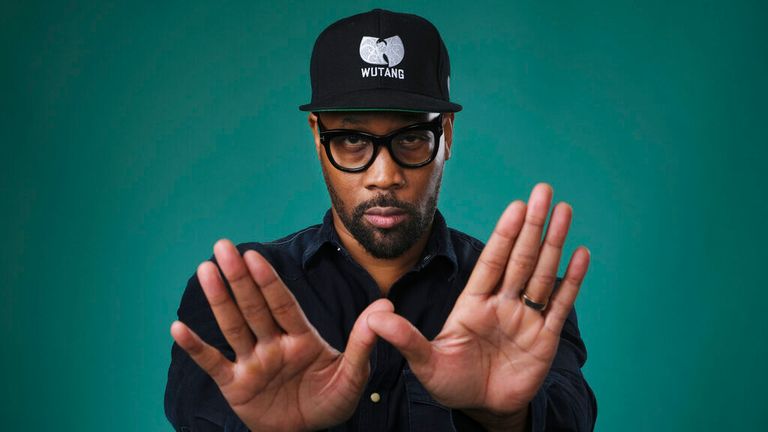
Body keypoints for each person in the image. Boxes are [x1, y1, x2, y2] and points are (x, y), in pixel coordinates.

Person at [164, 8, 597, 432]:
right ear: (317, 135)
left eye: (411, 138)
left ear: (446, 133)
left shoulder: (522, 298)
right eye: (352, 140)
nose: (384, 177)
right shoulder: (239, 294)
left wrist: (505, 417)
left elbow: (572, 415)